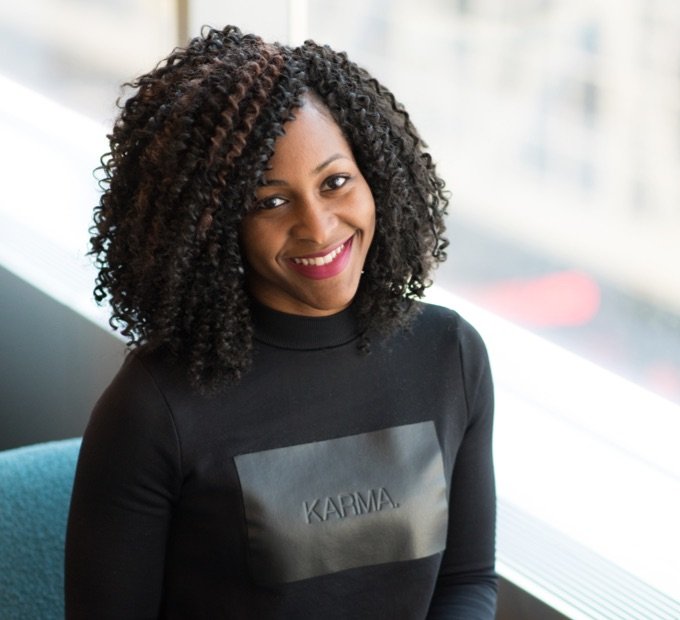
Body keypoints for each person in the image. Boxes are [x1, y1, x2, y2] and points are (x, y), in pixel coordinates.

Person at [65, 25, 497, 619]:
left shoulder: (448, 353)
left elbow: (467, 581)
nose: (318, 227)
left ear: (375, 177)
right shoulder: (154, 407)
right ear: (214, 226)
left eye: (335, 182)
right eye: (270, 201)